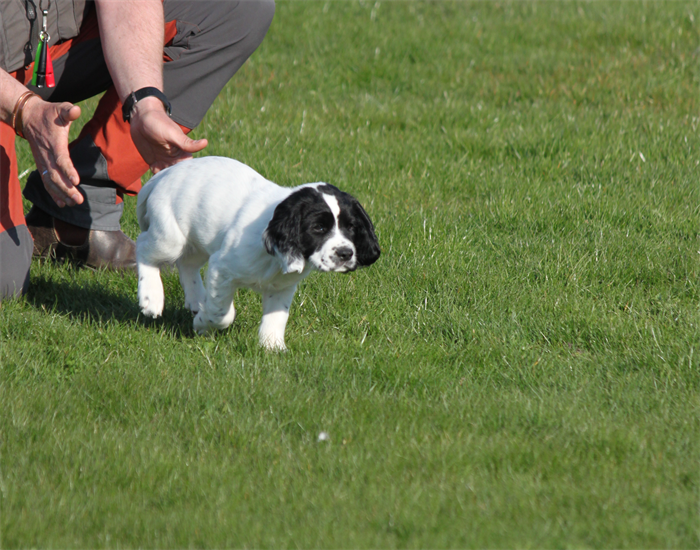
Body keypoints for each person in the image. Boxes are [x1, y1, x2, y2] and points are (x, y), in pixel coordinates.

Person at [0, 0, 275, 300]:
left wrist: (145, 102)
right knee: (5, 280)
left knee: (239, 8)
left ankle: (80, 205)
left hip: (50, 45)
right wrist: (23, 110)